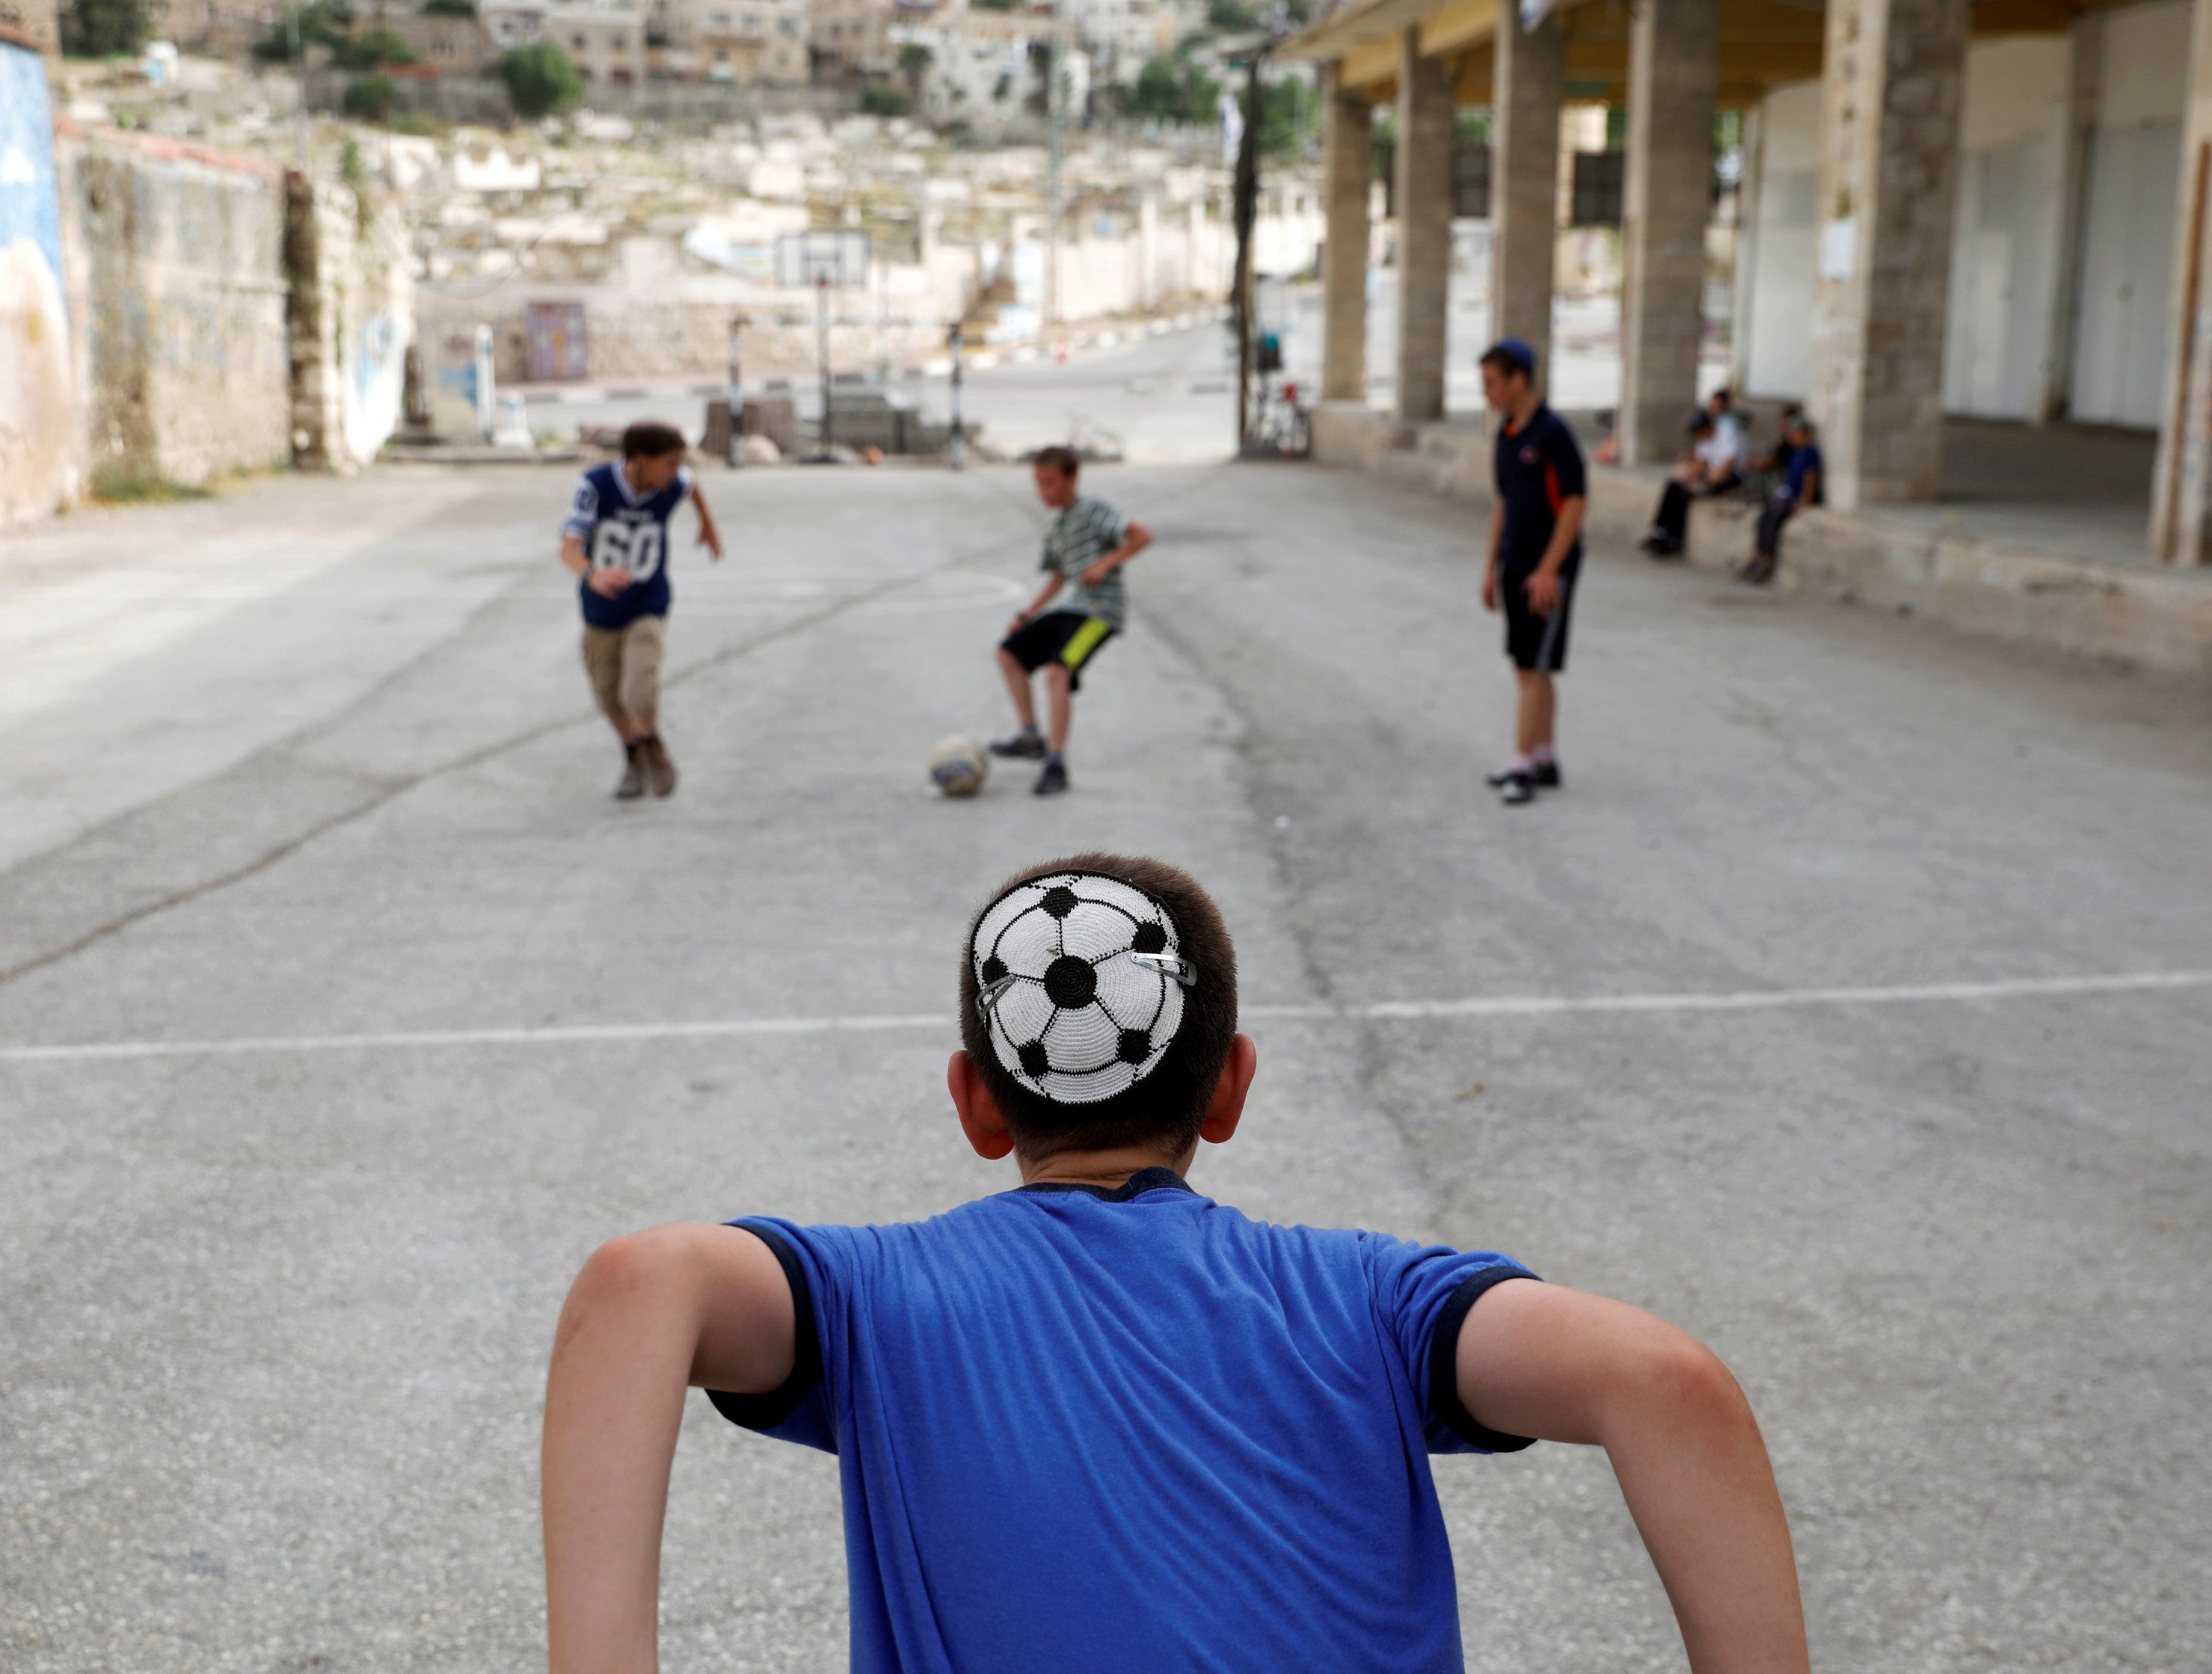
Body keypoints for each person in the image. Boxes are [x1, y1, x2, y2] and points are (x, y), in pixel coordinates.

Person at [541, 853, 1813, 1674]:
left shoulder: (883, 1301)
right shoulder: (1371, 1301)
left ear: (977, 1104)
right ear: (1232, 1084)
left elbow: (642, 1280)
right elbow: (1663, 1377)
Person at [559, 420, 722, 799]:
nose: (677, 471)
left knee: (640, 689)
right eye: (670, 462)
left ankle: (652, 743)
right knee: (607, 695)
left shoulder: (672, 483)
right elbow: (568, 547)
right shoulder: (596, 486)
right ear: (641, 461)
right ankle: (634, 754)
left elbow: (692, 484)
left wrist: (708, 525)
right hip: (601, 607)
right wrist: (591, 574)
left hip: (648, 600)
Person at [987, 446, 1152, 796]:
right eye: (1039, 484)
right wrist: (1026, 615)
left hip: (1100, 612)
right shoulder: (1058, 527)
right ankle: (1031, 736)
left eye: (1050, 483)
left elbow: (1141, 536)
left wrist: (1105, 564)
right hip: (1072, 607)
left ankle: (1056, 762)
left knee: (1056, 671)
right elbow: (1059, 578)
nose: (1044, 492)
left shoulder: (1093, 511)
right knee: (1008, 654)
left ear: (1072, 479)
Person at [1478, 338, 1586, 807]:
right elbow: (1503, 504)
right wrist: (1490, 567)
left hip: (1547, 569)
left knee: (1535, 665)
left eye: (1492, 383)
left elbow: (1575, 504)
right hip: (1514, 562)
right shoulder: (1506, 436)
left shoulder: (1552, 434)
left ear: (1519, 379)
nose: (1487, 393)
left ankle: (1523, 766)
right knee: (1527, 666)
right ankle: (1543, 757)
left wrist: (1548, 570)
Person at [1644, 390, 1748, 559]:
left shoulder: (1727, 431)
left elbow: (1728, 463)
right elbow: (1701, 461)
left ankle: (1673, 538)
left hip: (1732, 477)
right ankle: (1661, 532)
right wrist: (1688, 474)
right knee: (1674, 486)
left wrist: (1704, 478)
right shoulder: (1705, 439)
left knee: (1686, 493)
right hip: (1711, 475)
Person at [1741, 413, 1820, 587]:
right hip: (1785, 494)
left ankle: (1766, 560)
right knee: (1763, 518)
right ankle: (1757, 555)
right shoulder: (1794, 452)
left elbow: (1810, 478)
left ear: (1805, 434)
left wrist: (1804, 501)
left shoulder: (1810, 453)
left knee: (1774, 520)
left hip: (1793, 499)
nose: (1793, 437)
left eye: (1797, 433)